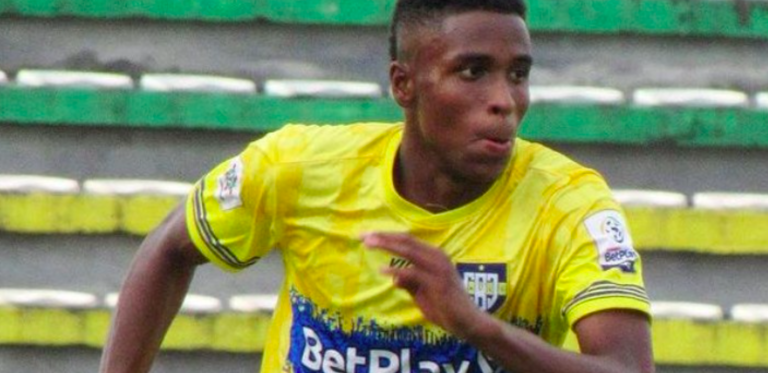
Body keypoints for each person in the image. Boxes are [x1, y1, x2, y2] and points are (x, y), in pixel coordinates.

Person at [100, 0, 654, 372]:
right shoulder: (299, 168)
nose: (505, 101)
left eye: (518, 73)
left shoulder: (568, 206)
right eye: (472, 71)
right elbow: (170, 248)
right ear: (403, 84)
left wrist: (477, 328)